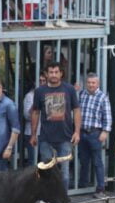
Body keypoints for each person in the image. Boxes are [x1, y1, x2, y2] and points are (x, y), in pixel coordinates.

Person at [30, 62, 81, 192]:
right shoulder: (39, 91)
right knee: (46, 171)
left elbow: (76, 110)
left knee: (64, 172)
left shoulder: (69, 89)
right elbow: (35, 112)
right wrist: (33, 134)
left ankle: (63, 199)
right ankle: (46, 198)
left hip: (65, 137)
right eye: (51, 72)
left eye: (56, 72)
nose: (53, 75)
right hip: (46, 138)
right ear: (46, 74)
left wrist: (77, 132)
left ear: (61, 73)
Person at [78, 73, 111, 198]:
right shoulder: (82, 94)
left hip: (95, 133)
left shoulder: (102, 97)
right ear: (86, 83)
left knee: (97, 162)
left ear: (98, 84)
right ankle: (83, 185)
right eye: (89, 82)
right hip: (83, 133)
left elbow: (107, 115)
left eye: (93, 83)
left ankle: (100, 188)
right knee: (84, 160)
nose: (91, 85)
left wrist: (105, 131)